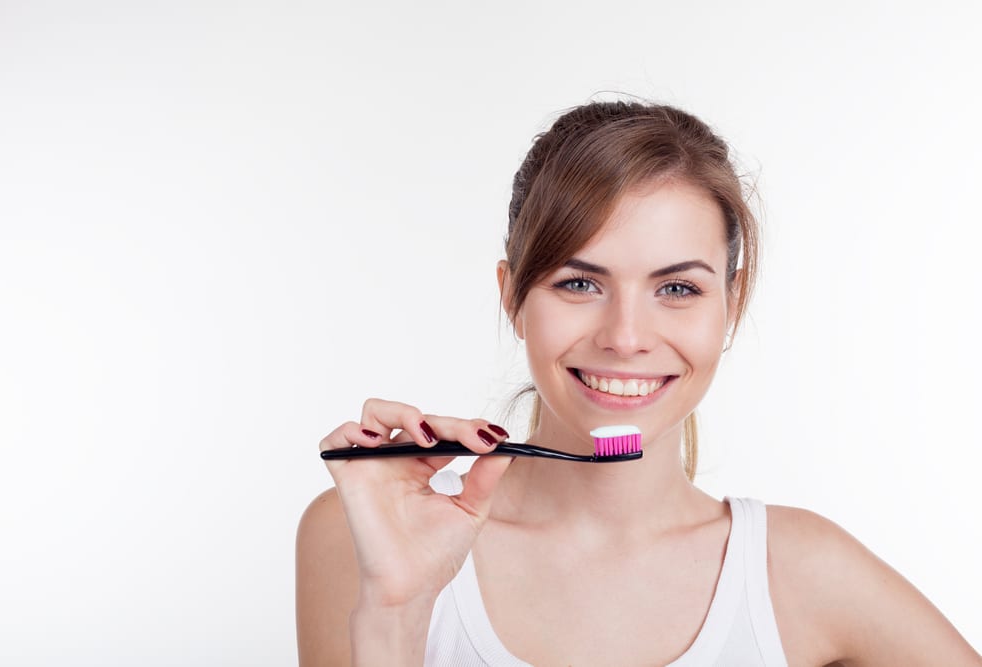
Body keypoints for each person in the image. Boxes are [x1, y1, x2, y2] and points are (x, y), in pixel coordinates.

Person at [296, 100, 981, 666]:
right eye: (580, 282)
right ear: (513, 298)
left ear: (730, 305)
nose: (625, 336)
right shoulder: (362, 535)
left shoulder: (801, 573)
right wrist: (396, 613)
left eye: (677, 287)